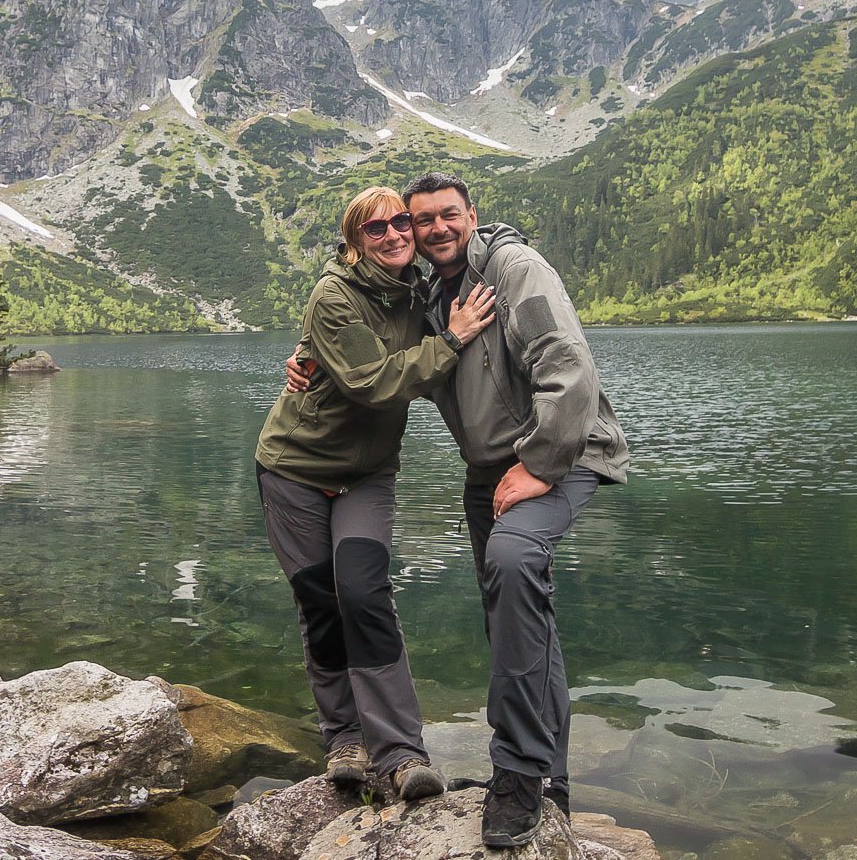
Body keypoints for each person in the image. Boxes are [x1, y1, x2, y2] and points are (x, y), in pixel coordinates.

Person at [287, 171, 628, 848]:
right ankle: (551, 773)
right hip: (489, 470)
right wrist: (305, 358)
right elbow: (378, 349)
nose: (434, 229)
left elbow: (568, 364)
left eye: (448, 215)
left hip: (560, 451)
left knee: (512, 560)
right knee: (515, 606)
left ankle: (518, 771)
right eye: (420, 220)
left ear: (471, 215)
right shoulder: (425, 290)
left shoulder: (512, 268)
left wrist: (537, 464)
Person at [256, 184, 498, 801]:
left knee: (364, 593)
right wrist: (454, 339)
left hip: (367, 474)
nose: (393, 234)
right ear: (353, 240)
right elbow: (371, 384)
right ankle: (344, 738)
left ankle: (399, 752)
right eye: (375, 228)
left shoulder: (417, 289)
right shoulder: (333, 295)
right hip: (296, 469)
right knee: (320, 602)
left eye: (399, 223)